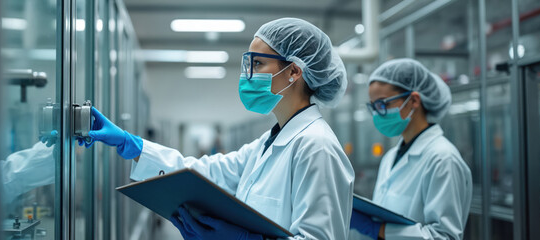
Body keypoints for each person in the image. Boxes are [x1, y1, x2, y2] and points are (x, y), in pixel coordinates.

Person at [80, 18, 354, 239]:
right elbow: (207, 175)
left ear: (294, 72)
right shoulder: (267, 143)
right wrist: (133, 146)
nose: (247, 75)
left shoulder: (316, 146)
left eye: (257, 64)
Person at [349, 59, 472, 240]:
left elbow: (444, 236)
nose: (377, 114)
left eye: (382, 105)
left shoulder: (443, 159)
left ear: (413, 100)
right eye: (373, 106)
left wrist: (377, 228)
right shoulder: (390, 157)